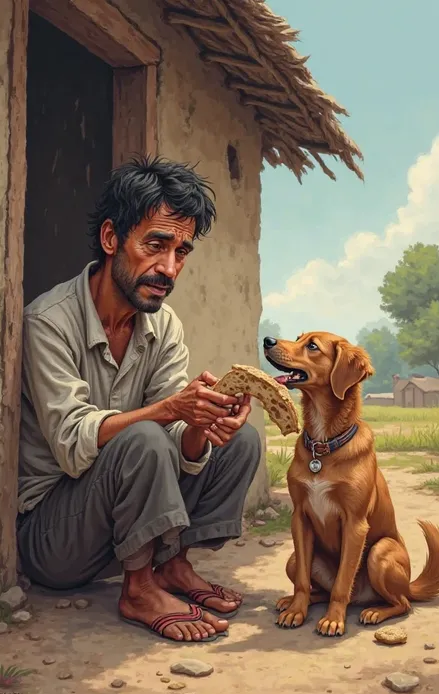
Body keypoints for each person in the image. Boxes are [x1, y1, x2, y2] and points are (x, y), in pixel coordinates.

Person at [17, 156, 261, 643]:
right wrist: (171, 410)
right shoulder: (49, 322)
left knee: (240, 441)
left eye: (182, 251)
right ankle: (138, 588)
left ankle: (171, 565)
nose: (169, 268)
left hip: (120, 521)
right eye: (156, 245)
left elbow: (175, 443)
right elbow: (71, 443)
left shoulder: (163, 325)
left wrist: (200, 423)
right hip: (56, 537)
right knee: (145, 437)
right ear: (112, 239)